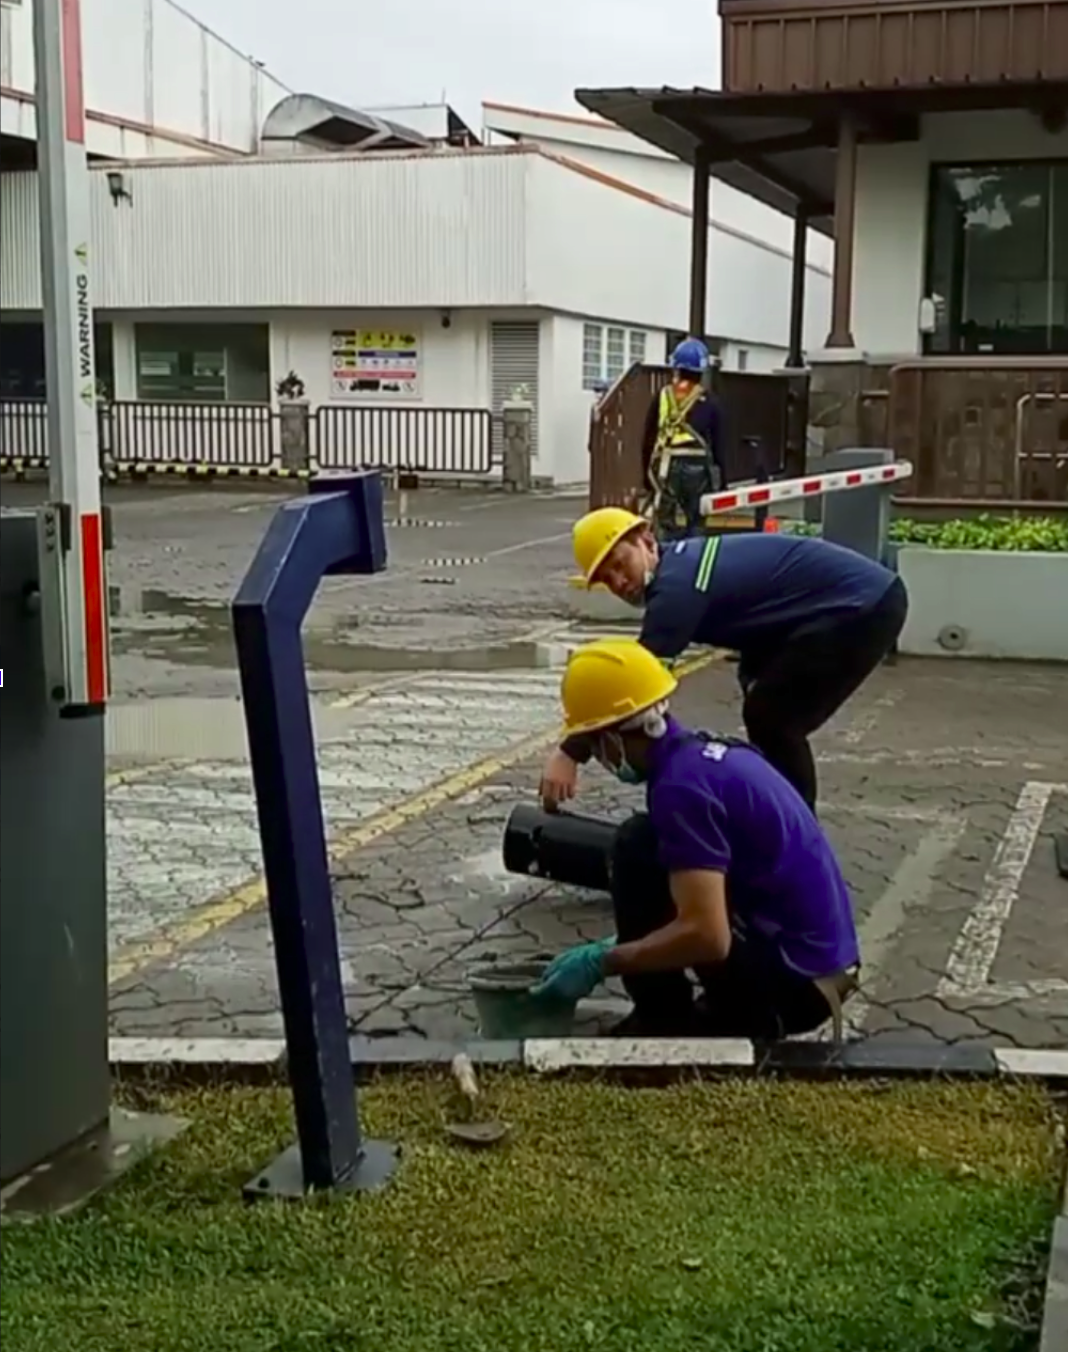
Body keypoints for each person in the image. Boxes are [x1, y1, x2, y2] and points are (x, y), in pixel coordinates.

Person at [530, 639, 861, 1040]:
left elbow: (708, 937)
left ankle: (664, 1022)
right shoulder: (704, 756)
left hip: (798, 990)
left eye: (595, 741)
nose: (599, 755)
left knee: (635, 847)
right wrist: (639, 942)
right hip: (821, 966)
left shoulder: (682, 790)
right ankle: (675, 1009)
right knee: (644, 842)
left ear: (615, 737)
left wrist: (603, 960)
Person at [541, 507, 907, 814]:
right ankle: (775, 811)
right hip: (836, 608)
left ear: (646, 540)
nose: (619, 582)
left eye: (621, 564)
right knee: (765, 708)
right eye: (607, 579)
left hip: (862, 606)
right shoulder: (683, 564)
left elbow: (631, 684)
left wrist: (570, 752)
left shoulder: (676, 588)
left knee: (774, 718)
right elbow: (761, 610)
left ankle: (794, 828)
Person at [634, 337, 726, 540]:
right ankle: (693, 560)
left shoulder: (662, 396)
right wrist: (722, 481)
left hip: (666, 468)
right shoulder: (709, 401)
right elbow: (719, 445)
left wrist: (646, 478)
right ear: (701, 371)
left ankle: (667, 560)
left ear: (676, 368)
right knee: (696, 520)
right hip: (697, 469)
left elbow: (648, 439)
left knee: (664, 522)